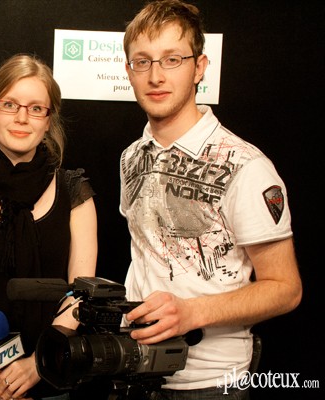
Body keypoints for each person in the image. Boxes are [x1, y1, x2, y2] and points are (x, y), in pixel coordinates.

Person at [118, 1, 302, 399]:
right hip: (135, 373)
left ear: (199, 67)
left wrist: (191, 312)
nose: (155, 76)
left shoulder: (245, 166)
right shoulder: (132, 157)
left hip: (210, 385)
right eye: (142, 62)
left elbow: (286, 288)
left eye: (172, 59)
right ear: (129, 71)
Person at [0, 54, 97, 400]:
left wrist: (36, 365)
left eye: (36, 108)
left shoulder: (75, 192)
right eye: (10, 104)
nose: (22, 118)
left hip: (48, 378)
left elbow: (80, 294)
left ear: (48, 120)